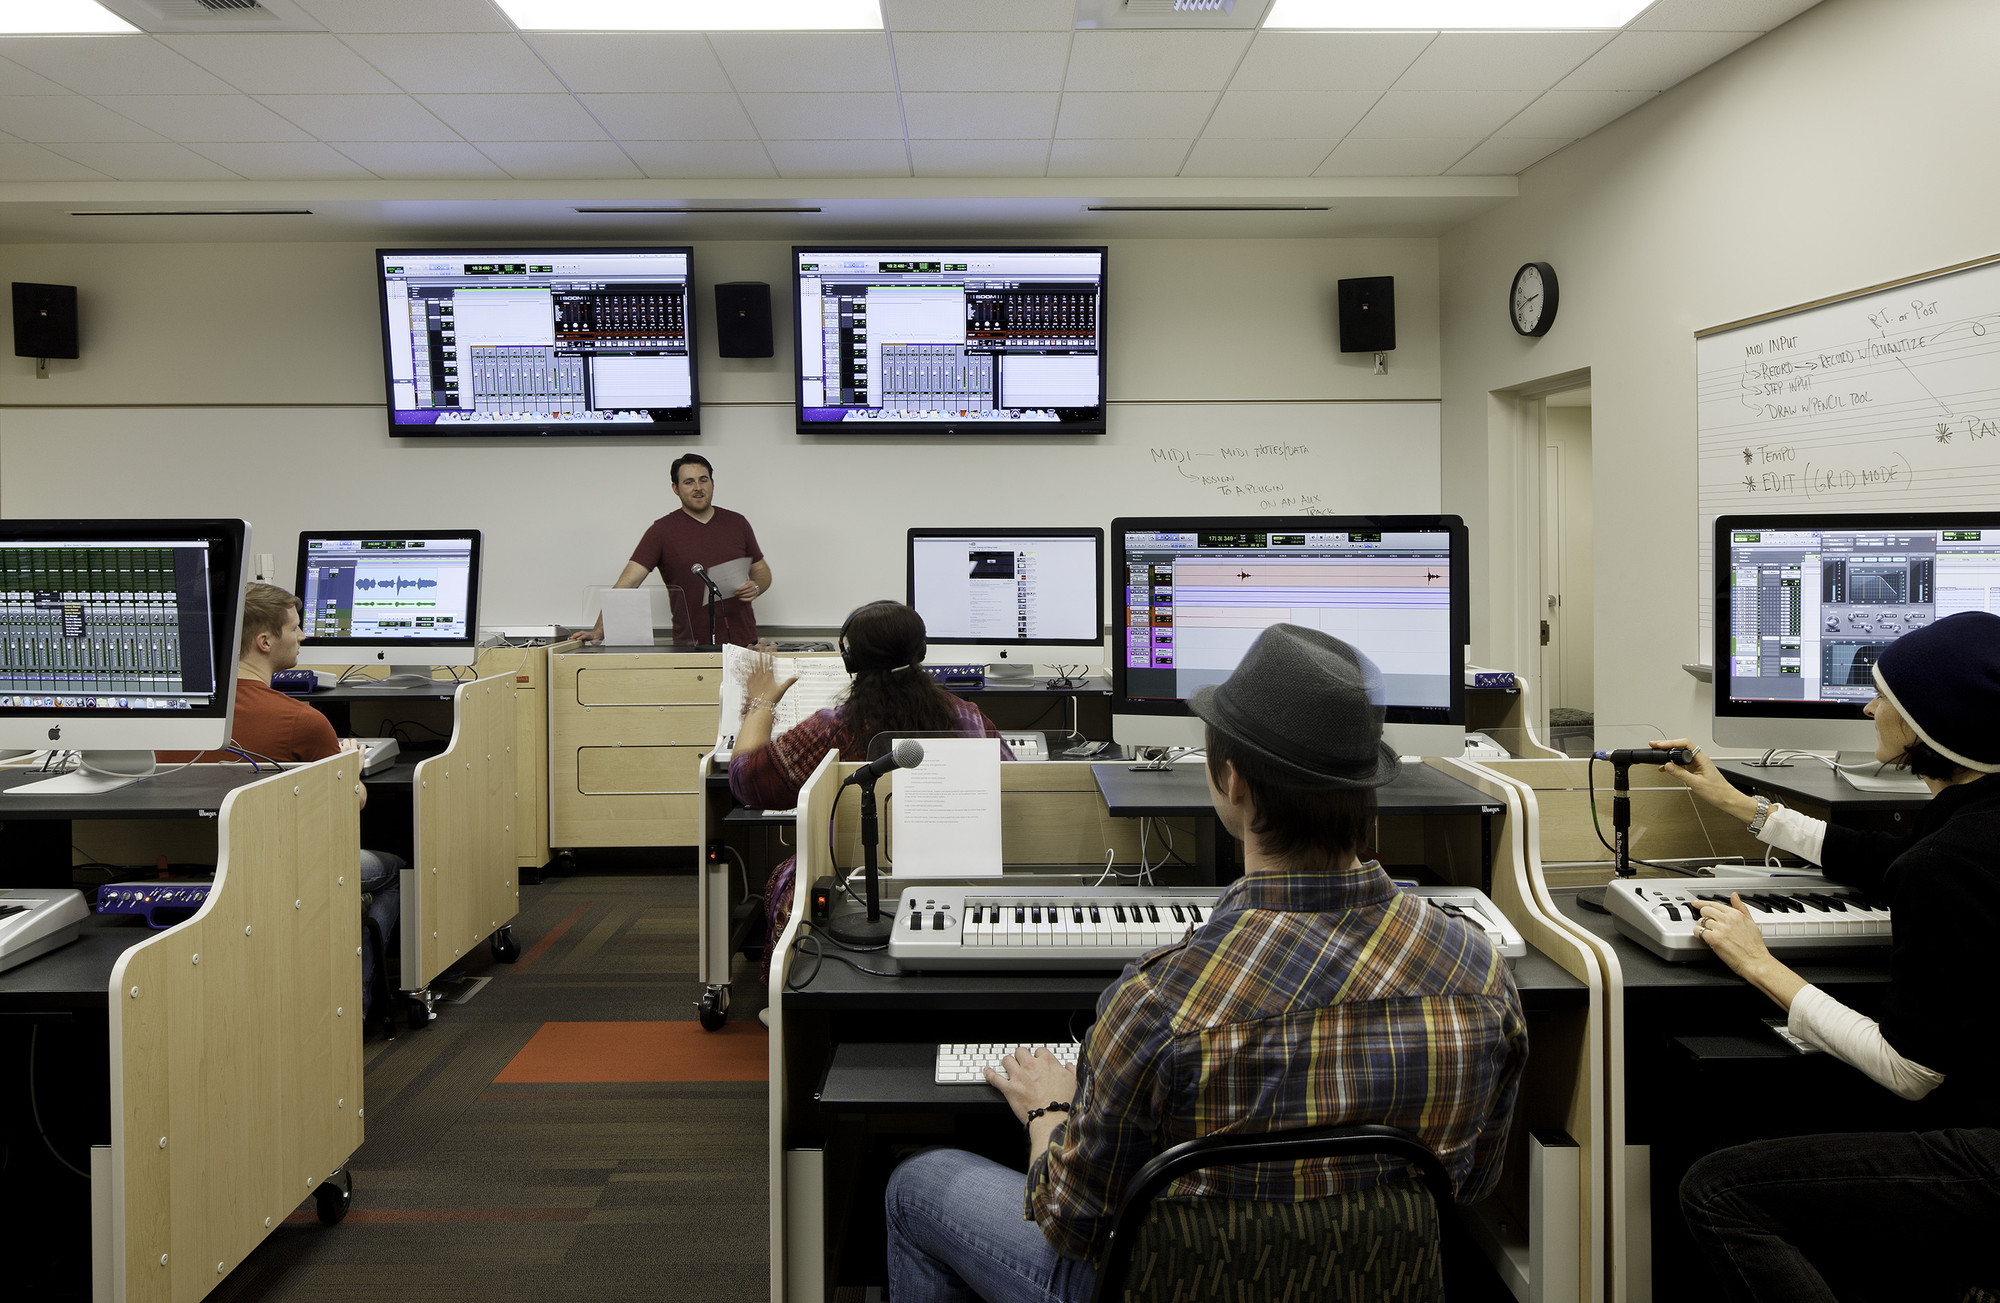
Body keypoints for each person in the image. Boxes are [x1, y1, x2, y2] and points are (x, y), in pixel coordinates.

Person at [883, 624, 1529, 1303]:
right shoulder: (1481, 977)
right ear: (1366, 785)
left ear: (1231, 780)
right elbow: (1470, 1183)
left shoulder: (1161, 1002)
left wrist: (1050, 1108)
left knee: (915, 1186)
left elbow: (1071, 1220)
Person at [1657, 609, 2000, 1302]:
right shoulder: (1972, 822)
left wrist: (1761, 965)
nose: (1870, 707)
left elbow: (1908, 1071)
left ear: (1927, 724)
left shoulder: (1948, 862)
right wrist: (1739, 802)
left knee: (1719, 1189)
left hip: (1987, 1156)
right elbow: (1891, 859)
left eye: (1886, 698)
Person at [728, 600, 1010, 978]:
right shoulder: (968, 717)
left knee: (787, 872)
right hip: (960, 869)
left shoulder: (830, 730)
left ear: (850, 660)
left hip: (850, 878)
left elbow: (747, 781)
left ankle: (792, 1003)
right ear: (920, 652)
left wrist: (761, 702)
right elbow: (1011, 783)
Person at [179, 582, 404, 1018]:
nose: (302, 637)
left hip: (185, 860)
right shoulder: (302, 719)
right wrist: (351, 772)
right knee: (391, 869)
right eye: (295, 629)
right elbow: (346, 806)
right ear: (265, 642)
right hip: (277, 868)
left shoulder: (180, 714)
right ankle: (355, 1005)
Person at [578, 453, 771, 647]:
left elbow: (762, 571)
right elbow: (628, 582)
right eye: (688, 482)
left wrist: (755, 586)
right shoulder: (662, 531)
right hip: (690, 648)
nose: (698, 488)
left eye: (703, 480)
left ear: (712, 483)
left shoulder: (737, 523)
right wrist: (599, 630)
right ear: (675, 489)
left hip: (745, 645)